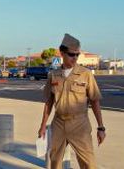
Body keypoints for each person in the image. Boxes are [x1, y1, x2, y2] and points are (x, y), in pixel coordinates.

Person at [38, 33, 105, 169]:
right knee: (55, 161)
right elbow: (49, 102)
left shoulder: (85, 74)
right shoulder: (53, 75)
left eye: (77, 55)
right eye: (71, 54)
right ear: (62, 53)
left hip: (79, 123)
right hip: (58, 123)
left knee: (88, 163)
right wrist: (43, 126)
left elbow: (95, 101)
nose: (75, 58)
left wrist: (101, 127)